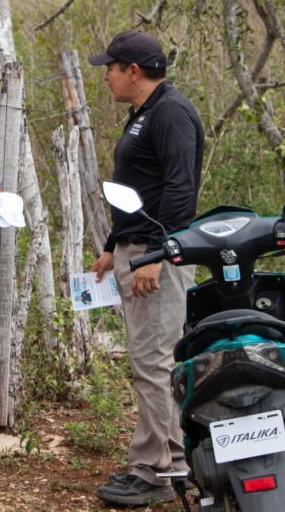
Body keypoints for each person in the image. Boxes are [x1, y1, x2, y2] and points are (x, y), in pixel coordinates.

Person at [88, 31, 205, 507]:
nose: (107, 78)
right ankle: (150, 459)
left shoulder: (171, 112)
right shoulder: (144, 113)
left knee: (157, 363)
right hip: (135, 249)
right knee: (147, 362)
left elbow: (180, 191)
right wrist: (115, 246)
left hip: (158, 257)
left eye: (110, 69)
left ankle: (165, 471)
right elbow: (139, 188)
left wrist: (157, 253)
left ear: (133, 71)